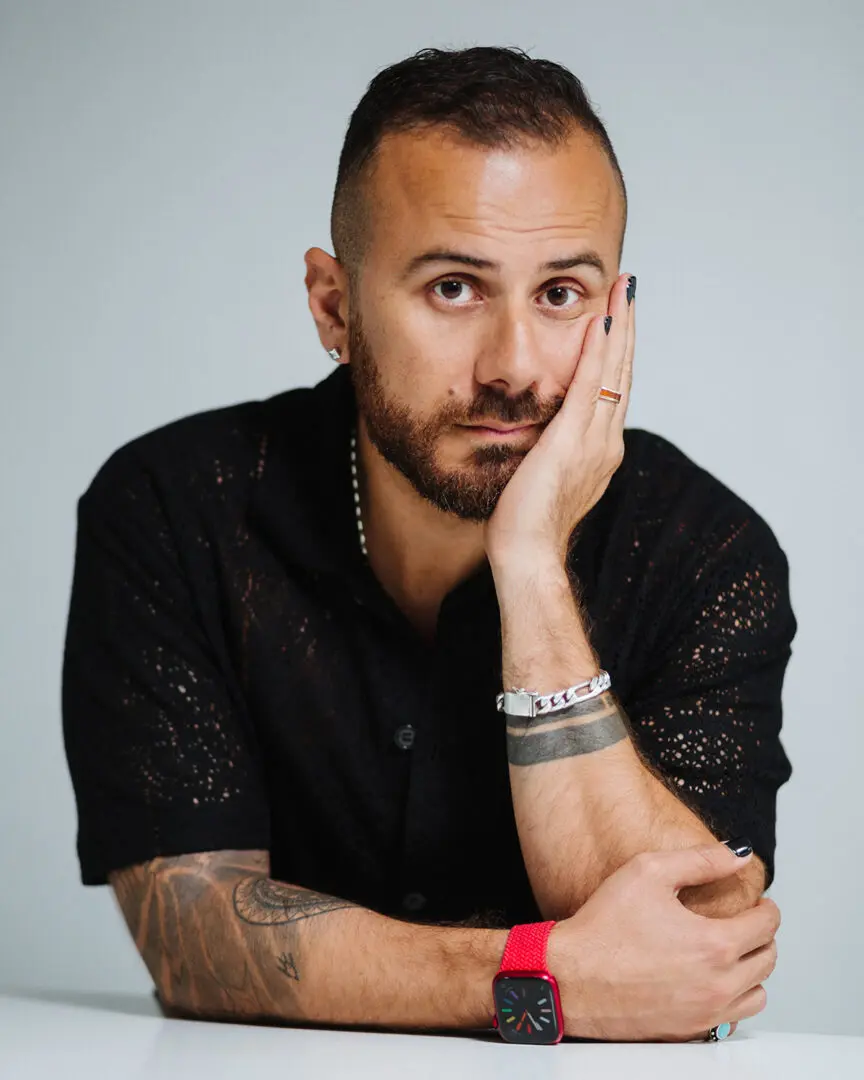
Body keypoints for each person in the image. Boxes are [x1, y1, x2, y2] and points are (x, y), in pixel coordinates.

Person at [62, 46, 793, 1044]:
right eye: (454, 288)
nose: (515, 369)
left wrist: (531, 567)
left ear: (616, 312)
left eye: (562, 295)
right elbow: (192, 935)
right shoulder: (175, 510)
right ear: (335, 307)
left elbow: (695, 950)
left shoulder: (708, 551)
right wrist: (538, 975)